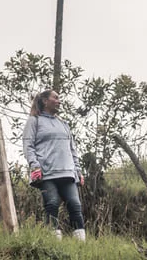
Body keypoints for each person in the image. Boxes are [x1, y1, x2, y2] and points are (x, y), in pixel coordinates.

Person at [22, 89, 86, 241]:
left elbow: (72, 149)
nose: (59, 101)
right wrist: (34, 165)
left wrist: (78, 170)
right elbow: (28, 145)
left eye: (59, 98)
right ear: (45, 101)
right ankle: (54, 245)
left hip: (68, 173)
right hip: (46, 173)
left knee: (75, 206)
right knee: (52, 204)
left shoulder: (63, 123)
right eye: (55, 98)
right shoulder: (34, 120)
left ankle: (81, 246)